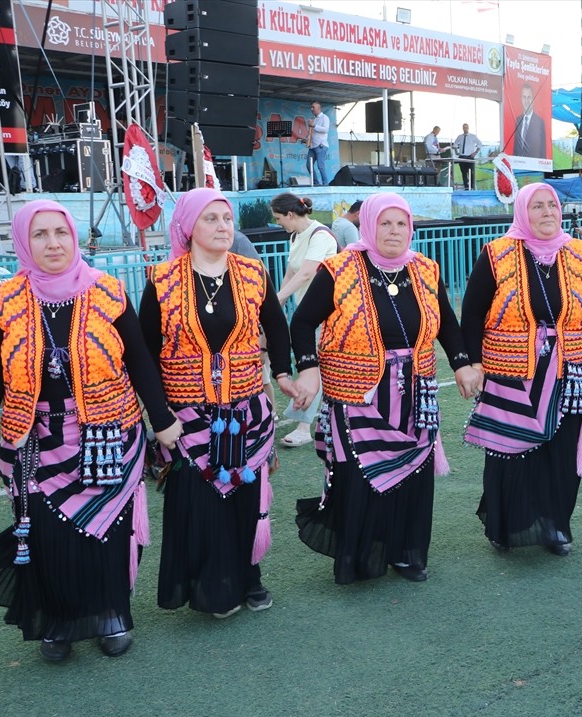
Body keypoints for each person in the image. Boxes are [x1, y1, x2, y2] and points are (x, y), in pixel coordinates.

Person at [0, 200, 181, 661]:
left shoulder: (107, 291)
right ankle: (58, 625)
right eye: (41, 235)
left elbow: (139, 360)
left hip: (108, 433)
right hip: (33, 438)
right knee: (47, 533)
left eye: (61, 233)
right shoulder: (4, 299)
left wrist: (162, 419)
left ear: (73, 237)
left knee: (106, 531)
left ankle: (110, 616)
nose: (53, 243)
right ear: (24, 242)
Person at [290, 194, 480, 584]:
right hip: (356, 392)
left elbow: (446, 322)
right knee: (360, 475)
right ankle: (361, 557)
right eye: (386, 223)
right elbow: (302, 322)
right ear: (369, 225)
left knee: (414, 473)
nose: (394, 231)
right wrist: (308, 370)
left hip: (415, 390)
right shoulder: (339, 269)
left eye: (402, 224)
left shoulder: (425, 269)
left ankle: (407, 552)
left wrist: (461, 363)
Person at [140, 188, 295, 618]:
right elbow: (144, 353)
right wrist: (159, 415)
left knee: (246, 498)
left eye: (226, 219)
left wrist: (282, 373)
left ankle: (250, 579)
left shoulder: (252, 273)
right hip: (187, 417)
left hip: (245, 409)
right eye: (211, 219)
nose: (223, 227)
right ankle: (213, 588)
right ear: (189, 227)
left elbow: (276, 329)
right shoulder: (162, 280)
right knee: (204, 503)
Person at [461, 183, 582, 555]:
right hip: (512, 370)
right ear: (523, 212)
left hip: (570, 369)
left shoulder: (581, 253)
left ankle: (555, 526)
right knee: (511, 451)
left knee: (562, 451)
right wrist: (473, 363)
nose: (548, 212)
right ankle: (505, 527)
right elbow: (472, 312)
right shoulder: (496, 254)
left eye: (553, 206)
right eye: (538, 207)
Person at [271, 192, 338, 447]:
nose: (278, 223)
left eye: (279, 218)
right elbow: (292, 272)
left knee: (313, 368)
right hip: (306, 315)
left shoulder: (320, 235)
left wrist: (278, 299)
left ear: (290, 214)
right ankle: (312, 420)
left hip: (327, 313)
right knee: (315, 367)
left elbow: (308, 271)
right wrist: (277, 301)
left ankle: (303, 426)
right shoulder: (296, 235)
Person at [512, 83, 546, 159]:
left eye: (529, 97)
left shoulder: (539, 122)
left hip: (533, 167)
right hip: (519, 166)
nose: (526, 101)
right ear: (521, 99)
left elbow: (542, 151)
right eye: (524, 97)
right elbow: (516, 148)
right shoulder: (518, 120)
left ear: (533, 99)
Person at [452, 123, 483, 190]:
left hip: (470, 157)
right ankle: (466, 186)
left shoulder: (473, 136)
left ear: (468, 128)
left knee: (471, 172)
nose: (465, 129)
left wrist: (475, 153)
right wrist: (457, 152)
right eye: (464, 127)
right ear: (462, 128)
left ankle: (472, 186)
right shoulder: (459, 136)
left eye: (466, 127)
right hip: (462, 157)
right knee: (463, 172)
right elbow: (454, 145)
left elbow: (480, 144)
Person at [307, 101, 330, 186]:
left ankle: (325, 184)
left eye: (313, 107)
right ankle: (316, 183)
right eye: (311, 107)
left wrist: (314, 126)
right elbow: (312, 133)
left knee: (320, 166)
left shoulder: (325, 117)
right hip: (312, 146)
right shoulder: (314, 119)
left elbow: (325, 130)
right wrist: (306, 140)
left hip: (321, 145)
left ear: (318, 108)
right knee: (309, 165)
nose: (311, 109)